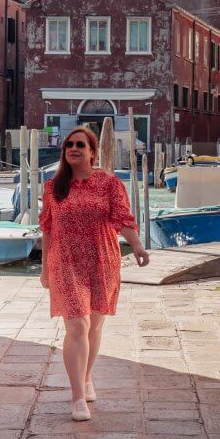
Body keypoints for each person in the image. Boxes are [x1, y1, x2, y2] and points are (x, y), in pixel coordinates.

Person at [39, 126, 149, 421]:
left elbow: (123, 219)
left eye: (80, 145)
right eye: (69, 145)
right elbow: (47, 229)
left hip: (102, 259)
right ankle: (77, 399)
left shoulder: (109, 184)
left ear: (92, 152)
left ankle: (86, 377)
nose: (73, 149)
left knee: (95, 326)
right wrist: (45, 269)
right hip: (65, 260)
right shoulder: (53, 187)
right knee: (77, 326)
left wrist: (136, 246)